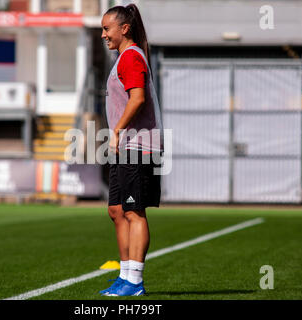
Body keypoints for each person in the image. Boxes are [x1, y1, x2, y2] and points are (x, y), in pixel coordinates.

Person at [99, 3, 164, 296]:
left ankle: (134, 281)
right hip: (126, 146)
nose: (103, 35)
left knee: (134, 212)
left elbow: (137, 99)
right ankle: (124, 276)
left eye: (106, 29)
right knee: (116, 210)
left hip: (138, 146)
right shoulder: (123, 58)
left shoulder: (131, 57)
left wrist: (116, 131)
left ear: (124, 29)